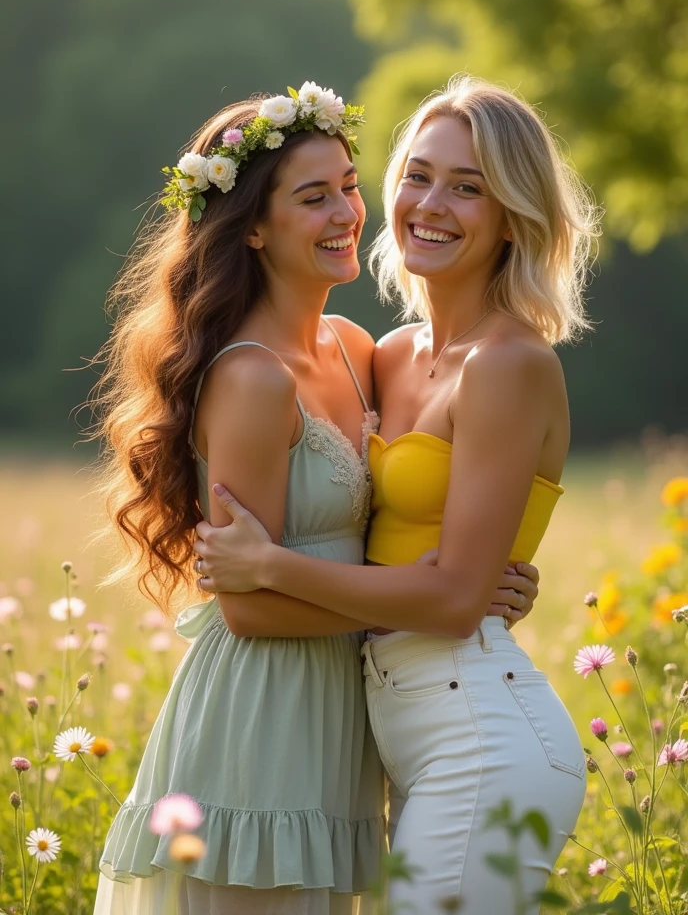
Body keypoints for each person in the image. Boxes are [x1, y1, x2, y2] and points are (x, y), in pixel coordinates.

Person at [91, 80, 539, 915]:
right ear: (253, 226)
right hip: (262, 721)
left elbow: (403, 515)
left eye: (348, 187)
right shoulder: (253, 378)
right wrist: (442, 604)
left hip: (347, 719)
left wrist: (484, 581)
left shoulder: (353, 347)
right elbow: (249, 611)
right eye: (313, 197)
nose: (347, 213)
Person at [193, 76, 596, 914]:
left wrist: (269, 564)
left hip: (483, 735)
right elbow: (384, 539)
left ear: (514, 214)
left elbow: (452, 600)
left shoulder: (512, 364)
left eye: (469, 186)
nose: (431, 203)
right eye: (419, 174)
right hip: (397, 735)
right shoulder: (386, 354)